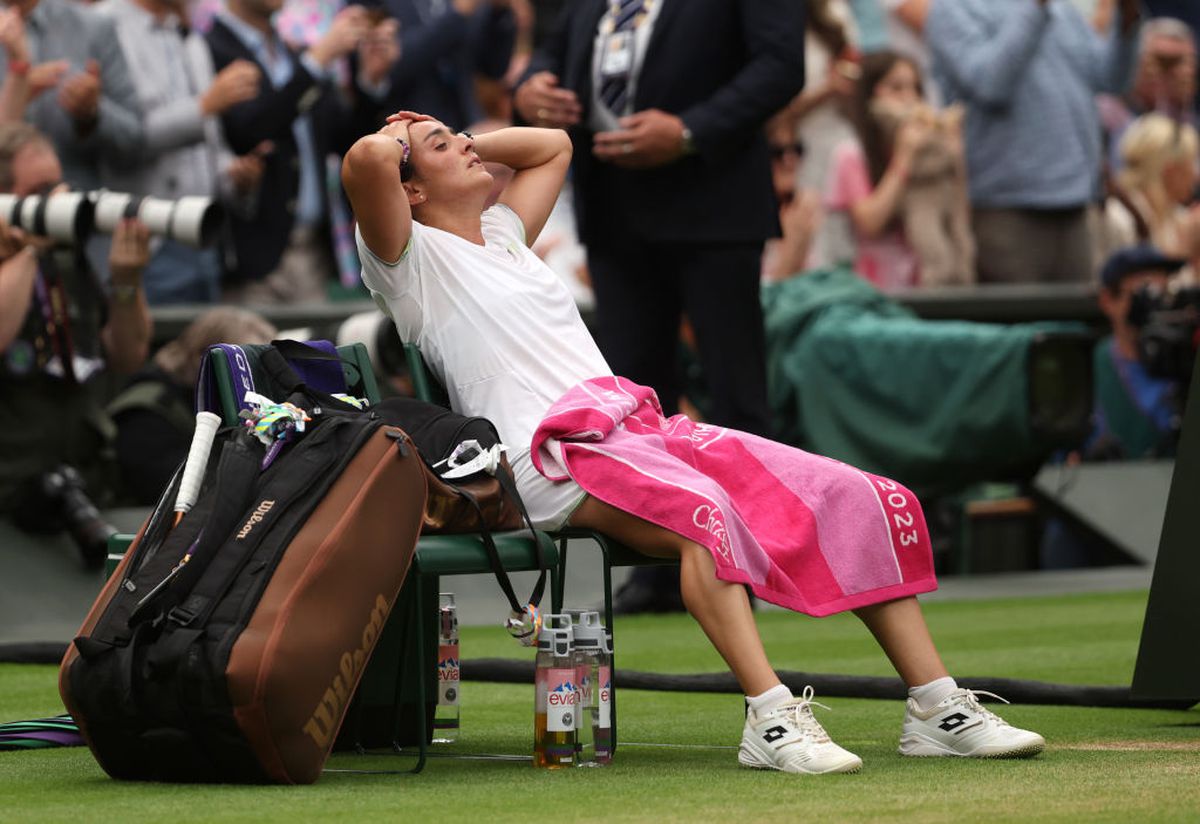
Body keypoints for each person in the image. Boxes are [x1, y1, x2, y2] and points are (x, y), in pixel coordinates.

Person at [342, 111, 1045, 774]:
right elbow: (365, 160)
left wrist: (450, 140)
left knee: (858, 493)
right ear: (409, 188)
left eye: (464, 136)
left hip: (639, 429)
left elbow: (555, 143)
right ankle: (770, 719)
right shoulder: (409, 263)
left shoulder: (502, 233)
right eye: (443, 147)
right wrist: (400, 135)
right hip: (550, 455)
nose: (468, 145)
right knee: (704, 516)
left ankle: (937, 706)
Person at [511, 0, 805, 438]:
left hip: (713, 204)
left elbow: (780, 66)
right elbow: (554, 47)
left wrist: (690, 130)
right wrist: (530, 89)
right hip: (613, 207)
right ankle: (652, 505)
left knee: (736, 397)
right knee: (632, 402)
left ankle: (750, 504)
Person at [0, 122, 151, 568]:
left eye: (60, 185)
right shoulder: (31, 255)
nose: (59, 200)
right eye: (41, 191)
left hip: (84, 487)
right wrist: (29, 250)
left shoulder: (67, 257)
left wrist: (126, 283)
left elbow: (127, 354)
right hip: (10, 496)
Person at [925, 0, 1142, 284]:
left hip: (1076, 203)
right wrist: (1035, 8)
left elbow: (1111, 79)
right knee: (1021, 322)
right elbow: (990, 83)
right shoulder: (954, 9)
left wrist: (1127, 21)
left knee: (1077, 326)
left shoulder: (1062, 10)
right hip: (1006, 208)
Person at [207, 0, 393, 302]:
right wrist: (318, 59)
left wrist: (369, 80)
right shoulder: (212, 46)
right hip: (255, 258)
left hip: (313, 250)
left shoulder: (289, 51)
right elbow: (250, 131)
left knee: (317, 349)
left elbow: (339, 138)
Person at [96, 0, 268, 305]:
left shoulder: (190, 37)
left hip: (205, 241)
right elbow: (120, 138)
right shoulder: (104, 26)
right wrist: (204, 106)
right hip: (146, 244)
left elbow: (211, 146)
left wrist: (237, 176)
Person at [826, 50, 972, 289]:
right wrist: (904, 158)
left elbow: (958, 213)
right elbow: (870, 223)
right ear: (870, 92)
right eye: (896, 88)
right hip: (879, 286)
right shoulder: (850, 154)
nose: (909, 98)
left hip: (928, 281)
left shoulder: (930, 151)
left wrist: (955, 160)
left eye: (915, 88)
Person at [109, 307, 278, 504]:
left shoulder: (232, 405)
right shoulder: (148, 411)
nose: (254, 380)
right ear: (204, 358)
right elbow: (167, 489)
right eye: (245, 368)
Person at [0, 0, 144, 192]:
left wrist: (93, 112)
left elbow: (134, 140)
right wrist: (18, 88)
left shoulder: (94, 25)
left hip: (79, 207)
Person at [1097, 17, 1197, 175]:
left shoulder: (1187, 119)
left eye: (1188, 63)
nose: (1182, 72)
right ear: (1136, 59)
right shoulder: (1106, 115)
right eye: (1165, 62)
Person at [1101, 113, 1199, 269]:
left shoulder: (1179, 218)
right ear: (1171, 171)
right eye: (1191, 163)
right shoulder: (1119, 219)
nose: (1196, 176)